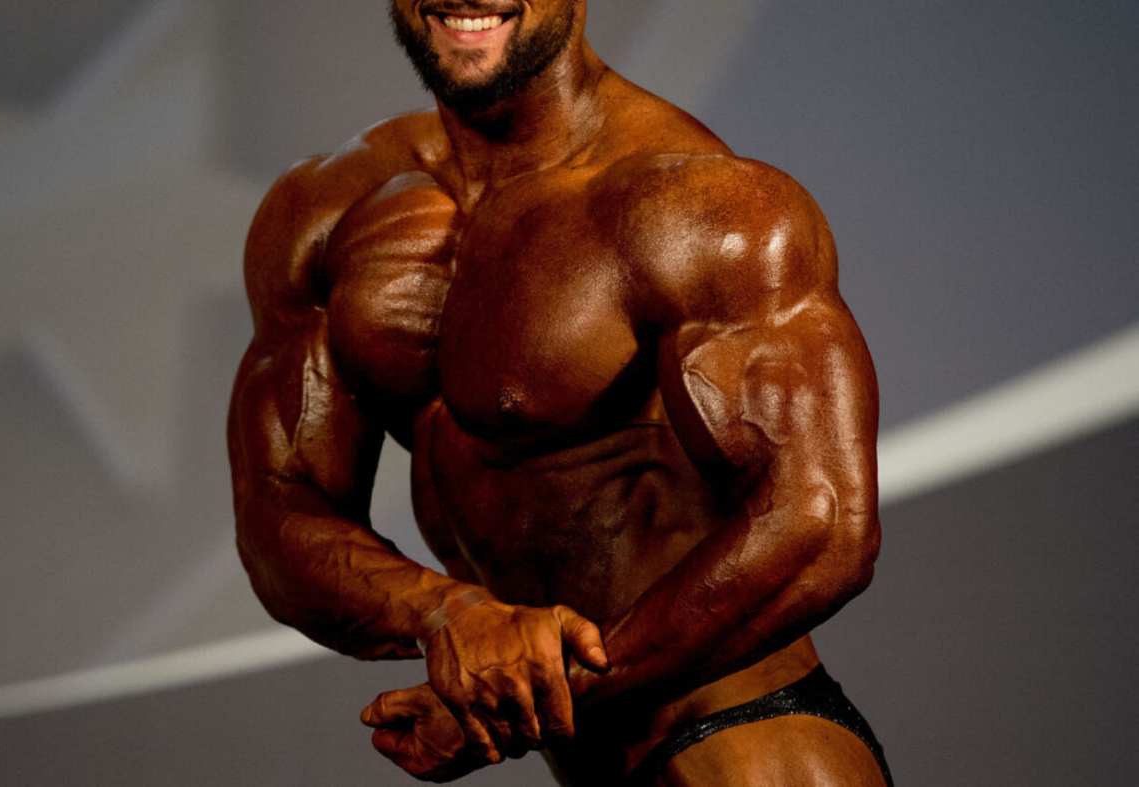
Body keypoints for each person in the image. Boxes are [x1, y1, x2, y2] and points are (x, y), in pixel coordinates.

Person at [227, 1, 891, 784]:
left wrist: (538, 699)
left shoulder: (701, 205)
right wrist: (448, 611)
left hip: (742, 744)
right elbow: (279, 512)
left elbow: (822, 528)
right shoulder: (326, 210)